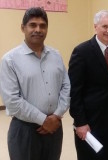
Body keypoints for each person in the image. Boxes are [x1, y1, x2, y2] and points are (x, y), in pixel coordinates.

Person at [0, 7, 70, 160]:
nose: (38, 29)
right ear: (22, 27)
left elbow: (66, 86)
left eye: (42, 25)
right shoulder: (10, 60)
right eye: (33, 25)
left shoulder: (56, 55)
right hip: (25, 131)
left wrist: (57, 115)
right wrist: (44, 120)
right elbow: (12, 101)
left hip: (54, 128)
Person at [68, 10, 108, 160]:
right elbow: (74, 92)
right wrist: (80, 122)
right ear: (95, 27)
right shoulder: (81, 52)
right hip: (90, 123)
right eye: (105, 26)